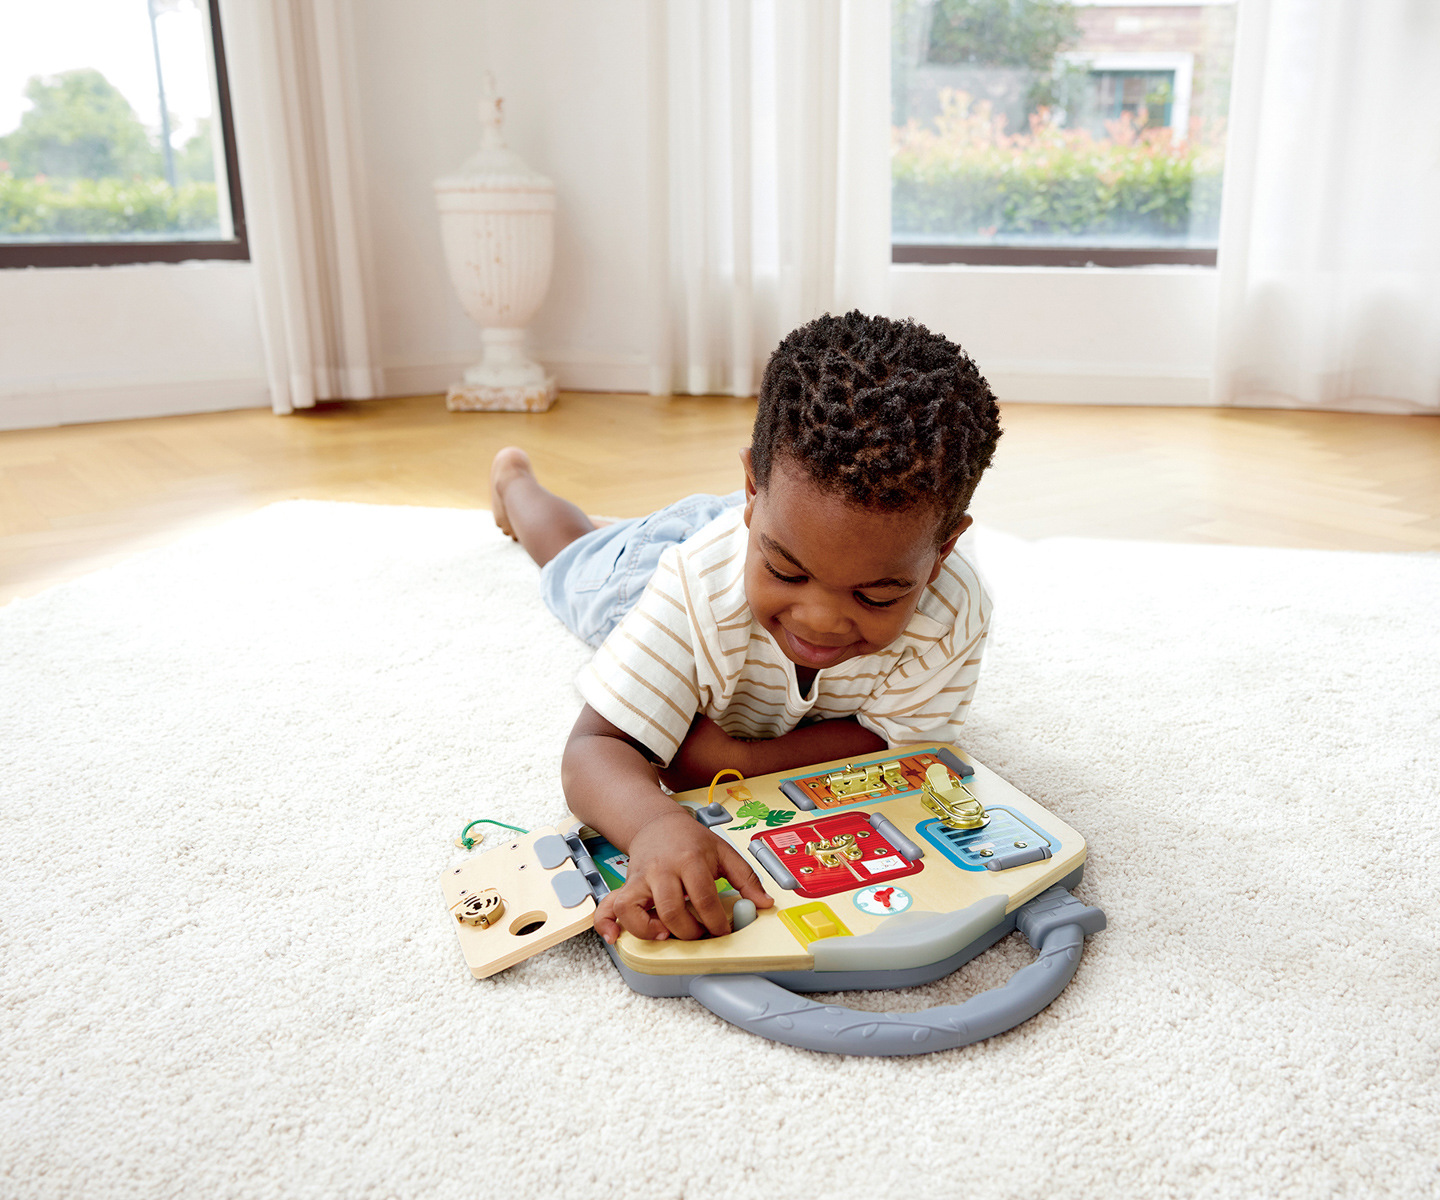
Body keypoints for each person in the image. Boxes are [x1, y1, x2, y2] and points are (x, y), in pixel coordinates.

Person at [488, 311, 1002, 946]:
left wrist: (734, 760)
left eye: (876, 594)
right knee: (573, 563)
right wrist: (654, 825)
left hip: (763, 530)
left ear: (944, 550)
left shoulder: (953, 611)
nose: (820, 619)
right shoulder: (692, 584)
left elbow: (901, 753)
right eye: (787, 572)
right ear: (753, 490)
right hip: (649, 571)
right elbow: (593, 748)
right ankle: (515, 483)